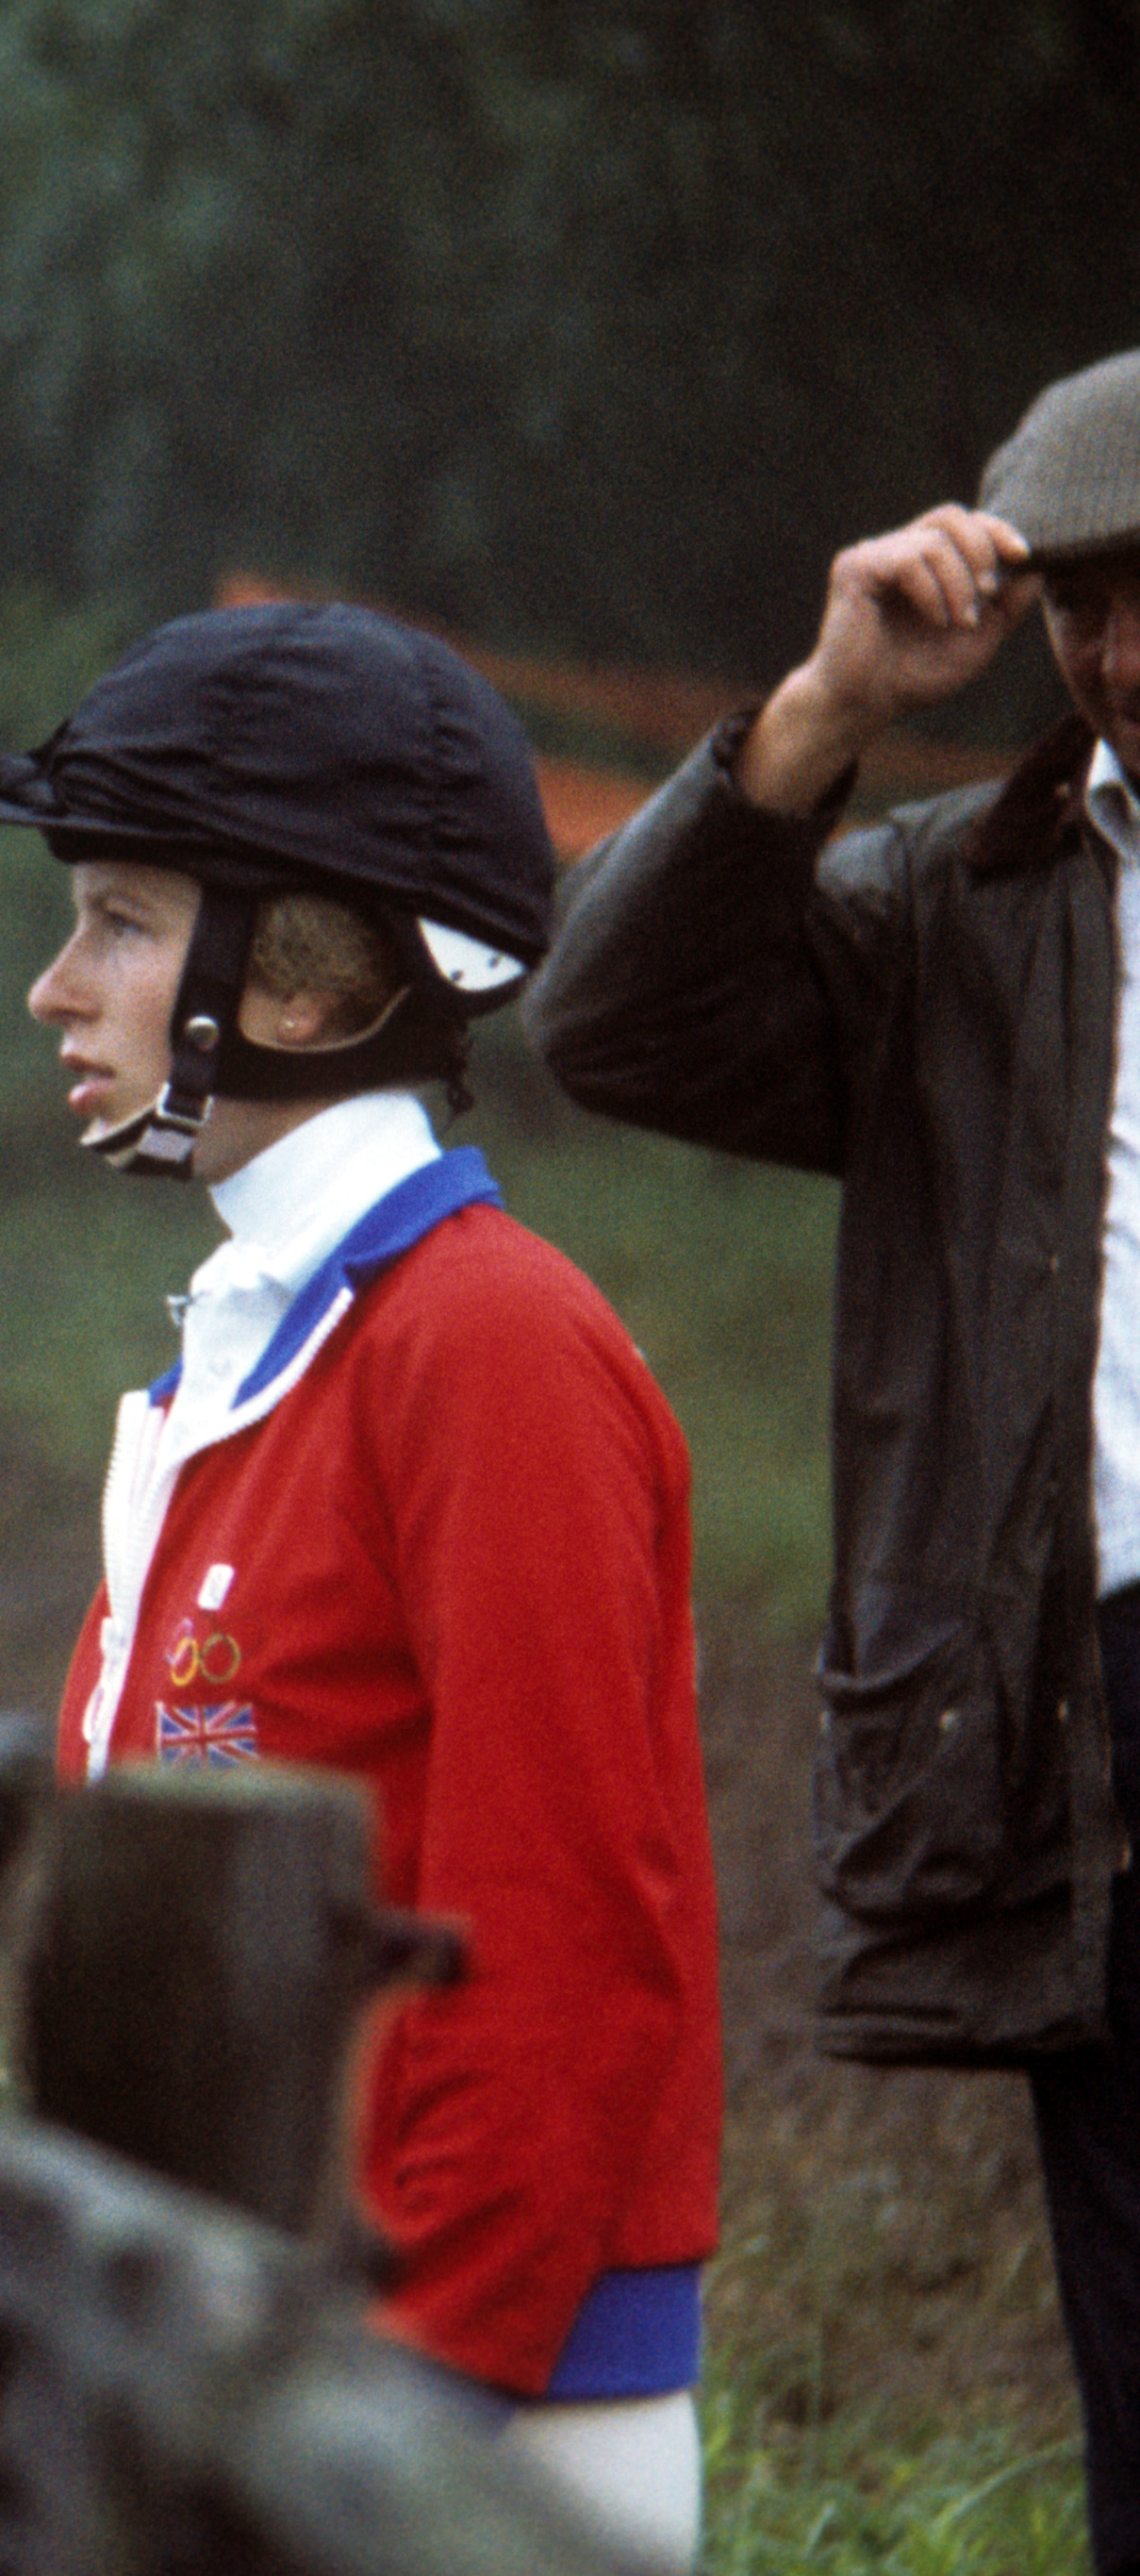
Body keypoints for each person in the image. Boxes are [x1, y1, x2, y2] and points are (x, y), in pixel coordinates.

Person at [0, 601, 724, 2567]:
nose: (52, 987)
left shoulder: (484, 1347)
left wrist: (388, 2401)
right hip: (237, 2341)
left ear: (291, 984)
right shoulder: (255, 1339)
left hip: (453, 2415)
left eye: (114, 920)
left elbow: (562, 1929)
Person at [530, 345, 1140, 2573]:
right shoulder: (946, 912)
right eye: (1086, 597)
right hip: (1090, 1712)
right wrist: (823, 709)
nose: (1125, 650)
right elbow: (610, 1023)